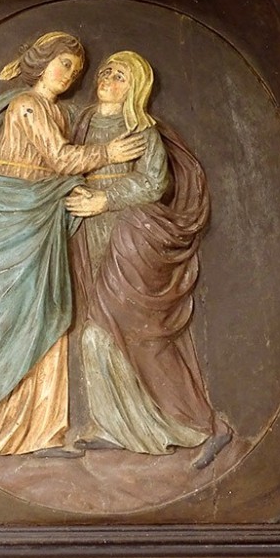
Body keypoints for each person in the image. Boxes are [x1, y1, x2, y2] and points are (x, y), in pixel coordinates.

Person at [0, 33, 147, 458]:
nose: (70, 75)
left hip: (39, 223)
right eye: (64, 64)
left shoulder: (57, 112)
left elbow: (58, 167)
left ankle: (40, 431)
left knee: (45, 315)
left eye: (76, 70)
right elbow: (60, 159)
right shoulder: (26, 105)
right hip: (10, 221)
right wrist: (109, 153)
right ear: (42, 61)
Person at [65, 51, 232, 469]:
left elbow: (154, 182)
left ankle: (198, 425)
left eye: (121, 76)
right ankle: (116, 426)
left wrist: (105, 199)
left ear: (136, 88)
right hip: (90, 235)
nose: (108, 79)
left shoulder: (140, 128)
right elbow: (64, 164)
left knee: (140, 332)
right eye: (107, 71)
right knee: (94, 332)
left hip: (132, 239)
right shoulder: (83, 123)